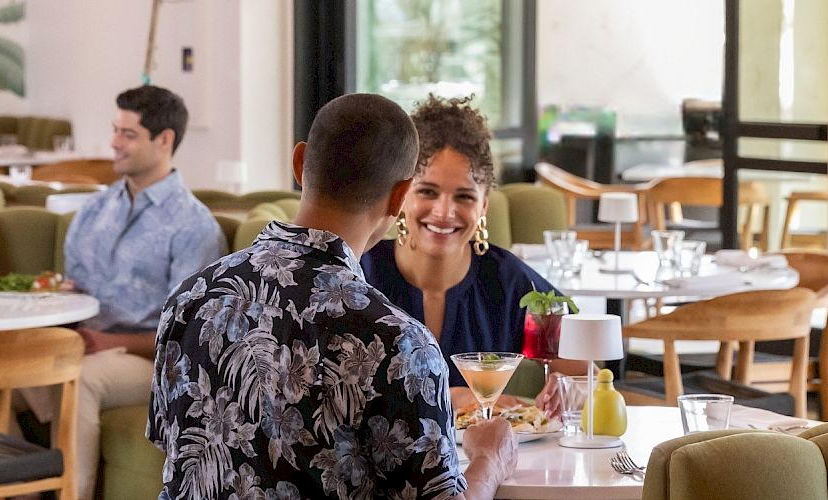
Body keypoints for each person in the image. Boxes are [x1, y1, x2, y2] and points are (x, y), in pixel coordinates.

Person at [151, 93, 516, 499]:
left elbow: (175, 454)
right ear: (400, 196)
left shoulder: (189, 298)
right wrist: (489, 460)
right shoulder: (400, 344)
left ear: (299, 164)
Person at [38, 85, 222, 499]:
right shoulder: (93, 211)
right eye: (115, 130)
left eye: (128, 134)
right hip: (83, 343)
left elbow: (187, 335)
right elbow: (73, 290)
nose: (114, 143)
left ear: (164, 140)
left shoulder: (193, 226)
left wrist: (109, 342)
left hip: (151, 362)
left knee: (80, 378)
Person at [359, 95, 584, 413]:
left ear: (483, 207)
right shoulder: (361, 275)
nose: (444, 212)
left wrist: (566, 388)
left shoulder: (506, 280)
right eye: (427, 191)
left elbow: (582, 369)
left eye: (464, 197)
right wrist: (453, 399)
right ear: (402, 194)